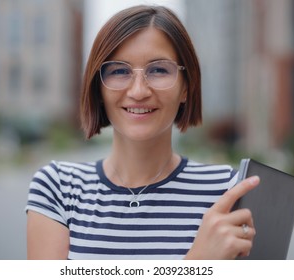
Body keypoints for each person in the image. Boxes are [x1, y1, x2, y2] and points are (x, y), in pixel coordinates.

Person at [25, 5, 260, 260]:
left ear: (185, 88)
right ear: (98, 88)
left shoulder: (229, 191)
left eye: (158, 70)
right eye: (119, 71)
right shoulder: (58, 188)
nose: (138, 91)